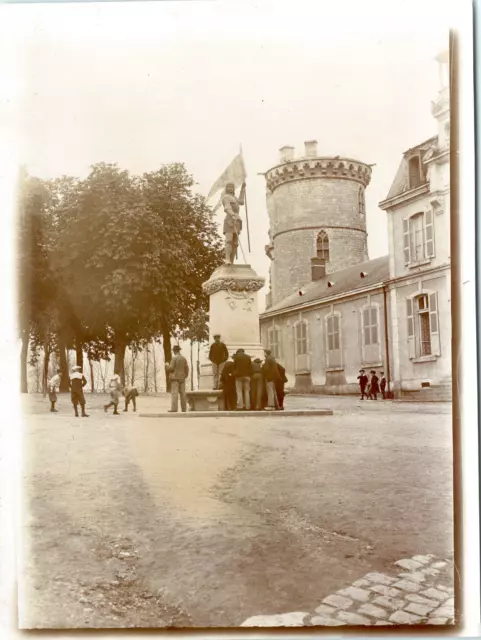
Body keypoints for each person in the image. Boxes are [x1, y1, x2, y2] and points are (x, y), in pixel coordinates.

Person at [222, 182, 246, 264]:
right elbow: (227, 208)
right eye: (228, 187)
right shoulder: (226, 197)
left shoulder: (235, 198)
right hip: (230, 219)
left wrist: (243, 189)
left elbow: (241, 202)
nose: (230, 188)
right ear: (226, 188)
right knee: (229, 240)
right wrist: (232, 214)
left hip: (237, 220)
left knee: (235, 243)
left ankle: (232, 261)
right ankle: (227, 259)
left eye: (232, 187)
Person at [168, 345, 189, 413]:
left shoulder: (174, 358)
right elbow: (187, 369)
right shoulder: (184, 358)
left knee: (174, 394)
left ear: (174, 351)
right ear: (179, 350)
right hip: (182, 378)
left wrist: (166, 365)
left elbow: (171, 368)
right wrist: (185, 376)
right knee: (183, 394)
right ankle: (184, 409)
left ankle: (174, 409)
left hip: (175, 378)